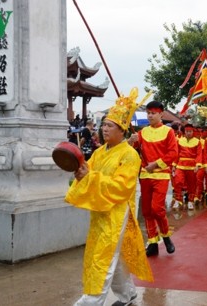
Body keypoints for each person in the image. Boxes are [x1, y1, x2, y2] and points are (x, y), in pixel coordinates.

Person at [66, 90, 153, 306]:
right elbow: (88, 171)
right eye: (104, 124)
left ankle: (92, 300)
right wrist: (80, 174)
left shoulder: (130, 155)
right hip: (99, 209)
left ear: (122, 130)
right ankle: (128, 293)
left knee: (103, 254)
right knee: (108, 253)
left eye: (110, 125)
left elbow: (121, 188)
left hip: (117, 210)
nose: (104, 129)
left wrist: (90, 177)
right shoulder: (100, 151)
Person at [128, 100, 178, 257]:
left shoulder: (168, 132)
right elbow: (132, 150)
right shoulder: (142, 133)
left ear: (161, 114)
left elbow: (173, 153)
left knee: (157, 208)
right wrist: (131, 141)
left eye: (153, 113)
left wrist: (156, 164)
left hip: (161, 175)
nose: (150, 115)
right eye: (148, 113)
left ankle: (166, 235)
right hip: (144, 175)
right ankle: (152, 242)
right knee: (147, 211)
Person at [172, 124, 202, 210]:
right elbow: (176, 153)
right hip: (180, 165)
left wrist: (198, 165)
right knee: (178, 182)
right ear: (184, 132)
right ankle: (178, 200)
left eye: (190, 131)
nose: (188, 133)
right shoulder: (180, 141)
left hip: (192, 166)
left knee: (192, 184)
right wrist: (174, 165)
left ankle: (190, 201)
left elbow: (199, 154)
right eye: (187, 131)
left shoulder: (197, 141)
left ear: (193, 132)